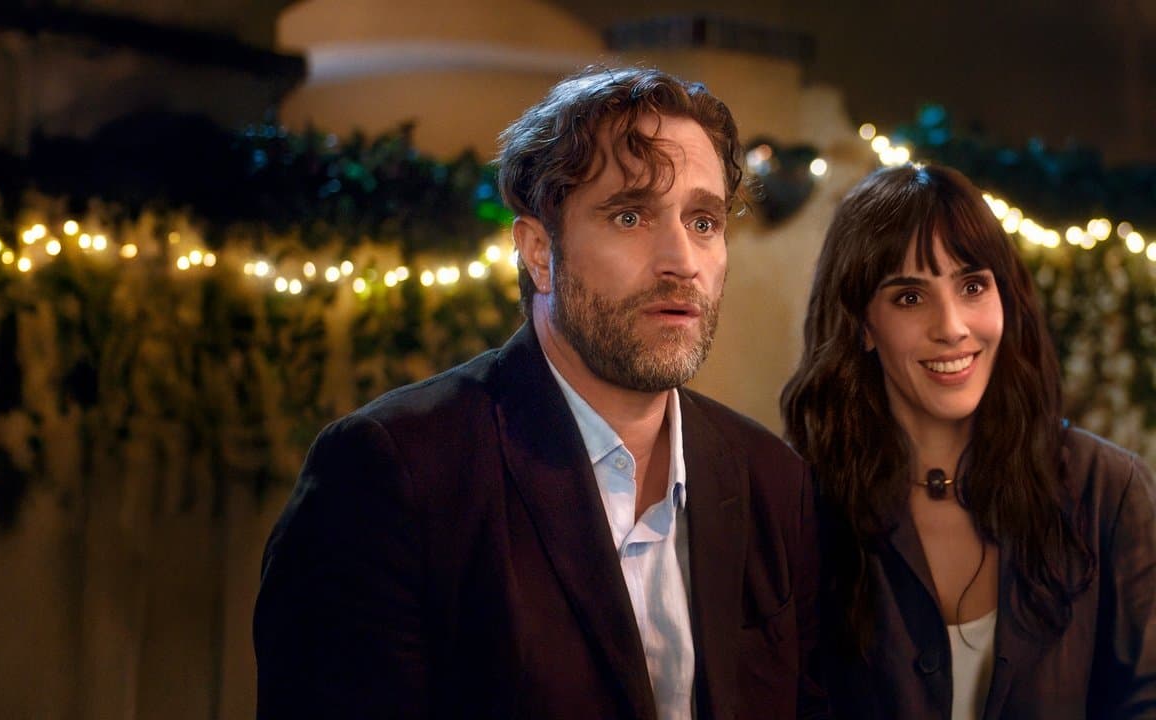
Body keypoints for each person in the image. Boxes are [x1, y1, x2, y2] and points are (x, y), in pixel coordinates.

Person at [254, 66, 825, 719]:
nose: (682, 261)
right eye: (631, 215)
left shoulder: (773, 483)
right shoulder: (392, 474)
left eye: (703, 221)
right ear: (536, 252)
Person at [781, 163, 1156, 719]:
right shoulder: (801, 505)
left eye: (973, 286)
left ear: (1005, 297)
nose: (953, 327)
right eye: (910, 297)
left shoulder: (1108, 490)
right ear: (862, 324)